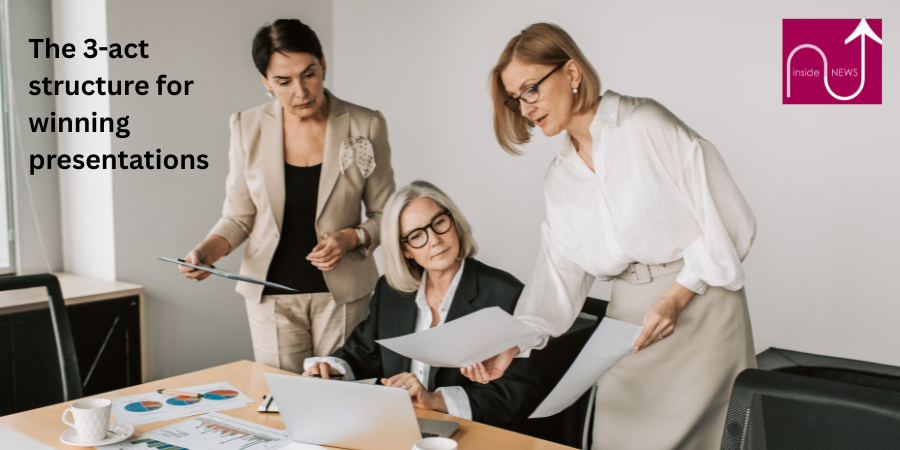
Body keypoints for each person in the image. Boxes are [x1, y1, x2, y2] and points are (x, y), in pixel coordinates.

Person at [466, 23, 757, 449]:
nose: (525, 108)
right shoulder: (560, 178)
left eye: (531, 89)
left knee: (710, 441)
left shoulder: (645, 124)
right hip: (630, 317)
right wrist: (514, 345)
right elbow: (558, 279)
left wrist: (676, 296)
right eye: (516, 99)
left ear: (571, 72)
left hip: (702, 307)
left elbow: (731, 221)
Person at [179, 19, 395, 374]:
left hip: (343, 295)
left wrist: (351, 237)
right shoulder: (245, 126)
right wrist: (206, 251)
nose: (301, 90)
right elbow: (238, 216)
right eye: (283, 81)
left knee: (343, 399)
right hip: (269, 295)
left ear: (323, 64)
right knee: (282, 405)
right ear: (266, 82)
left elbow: (386, 213)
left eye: (309, 74)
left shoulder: (365, 123)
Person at [302, 181, 539, 430]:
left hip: (469, 433)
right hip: (396, 426)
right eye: (416, 236)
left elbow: (519, 391)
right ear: (405, 250)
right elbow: (363, 352)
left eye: (439, 223)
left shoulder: (506, 294)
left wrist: (437, 400)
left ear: (454, 223)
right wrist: (331, 369)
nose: (434, 240)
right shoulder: (391, 291)